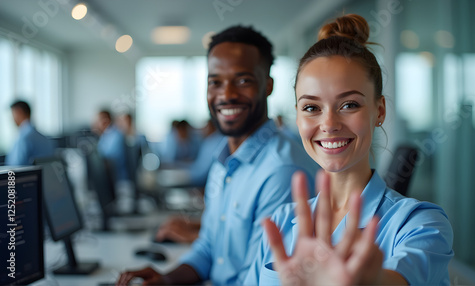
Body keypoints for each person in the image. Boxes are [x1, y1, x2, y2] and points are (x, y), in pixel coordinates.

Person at [244, 14, 454, 285]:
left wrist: (368, 280)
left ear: (379, 111)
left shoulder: (420, 223)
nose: (329, 124)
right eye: (311, 108)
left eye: (349, 105)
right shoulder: (282, 221)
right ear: (297, 117)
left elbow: (397, 278)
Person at [117, 25, 318, 285]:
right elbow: (208, 249)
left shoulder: (283, 171)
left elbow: (259, 281)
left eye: (243, 80)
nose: (226, 94)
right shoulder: (222, 160)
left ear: (267, 85)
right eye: (215, 82)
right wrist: (165, 281)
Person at [5, 100, 55, 165]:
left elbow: (14, 167)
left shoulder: (23, 139)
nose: (12, 119)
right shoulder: (45, 138)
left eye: (13, 114)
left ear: (19, 112)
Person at [93, 109, 128, 181]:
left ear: (105, 120)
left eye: (98, 120)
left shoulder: (115, 135)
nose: (96, 123)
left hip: (119, 179)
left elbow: (106, 155)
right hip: (111, 177)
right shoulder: (106, 134)